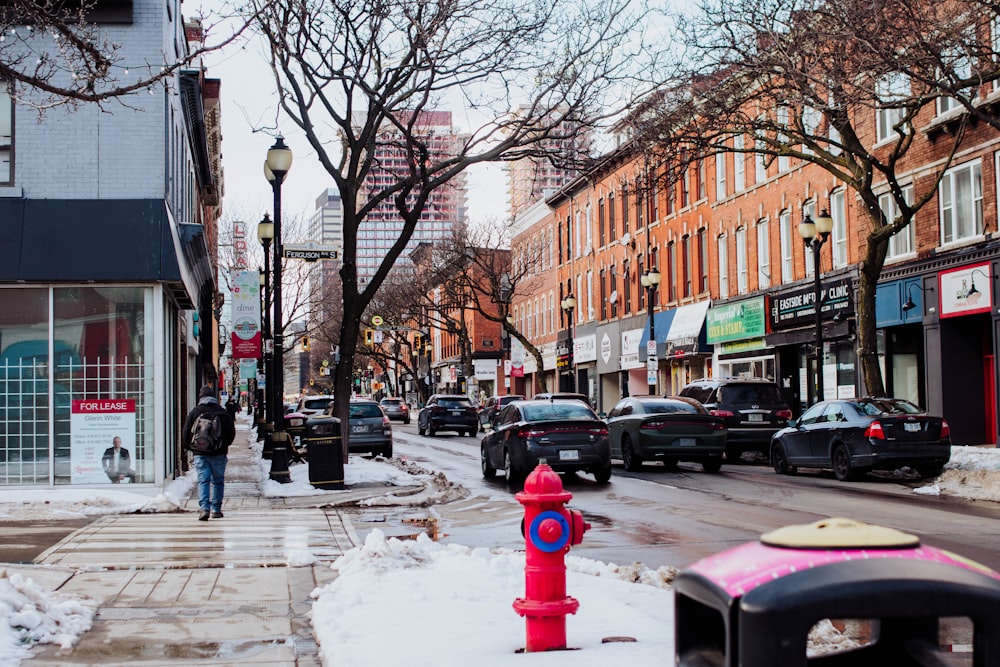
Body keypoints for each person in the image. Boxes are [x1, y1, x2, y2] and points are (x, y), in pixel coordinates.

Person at [182, 385, 236, 521]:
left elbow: (186, 432)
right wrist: (223, 446)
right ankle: (216, 509)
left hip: (200, 452)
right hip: (219, 453)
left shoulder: (195, 412)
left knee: (203, 480)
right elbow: (231, 433)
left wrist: (191, 448)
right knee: (218, 481)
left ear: (201, 397)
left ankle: (204, 508)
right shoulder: (222, 412)